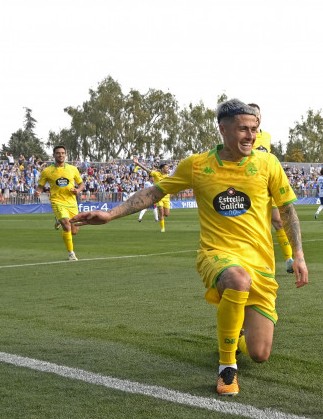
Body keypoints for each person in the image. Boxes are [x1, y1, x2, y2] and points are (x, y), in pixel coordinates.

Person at [72, 99, 309, 396]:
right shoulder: (197, 165)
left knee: (260, 354)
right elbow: (156, 191)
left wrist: (298, 255)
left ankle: (234, 333)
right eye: (243, 129)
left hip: (260, 261)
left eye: (254, 129)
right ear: (223, 130)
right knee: (237, 279)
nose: (250, 135)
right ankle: (227, 369)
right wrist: (110, 214)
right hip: (217, 254)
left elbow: (287, 210)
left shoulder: (267, 163)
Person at [248, 103, 295, 273]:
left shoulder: (266, 136)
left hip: (268, 185)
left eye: (258, 114)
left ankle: (289, 259)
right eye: (252, 114)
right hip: (250, 188)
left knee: (278, 221)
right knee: (255, 226)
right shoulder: (244, 137)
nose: (256, 117)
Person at [35, 145, 85, 261]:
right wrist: (38, 191)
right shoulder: (47, 171)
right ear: (54, 155)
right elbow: (40, 186)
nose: (60, 155)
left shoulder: (73, 169)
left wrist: (78, 190)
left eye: (63, 153)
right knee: (66, 225)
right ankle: (71, 254)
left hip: (72, 202)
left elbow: (81, 184)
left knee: (74, 231)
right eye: (58, 153)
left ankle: (58, 220)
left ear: (65, 155)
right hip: (57, 201)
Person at [133, 158, 172, 232]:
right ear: (162, 168)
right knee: (160, 210)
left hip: (167, 197)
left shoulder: (169, 176)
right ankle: (162, 228)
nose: (168, 169)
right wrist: (138, 163)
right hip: (159, 196)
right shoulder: (156, 174)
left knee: (166, 214)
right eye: (166, 168)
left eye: (168, 168)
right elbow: (147, 170)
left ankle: (161, 218)